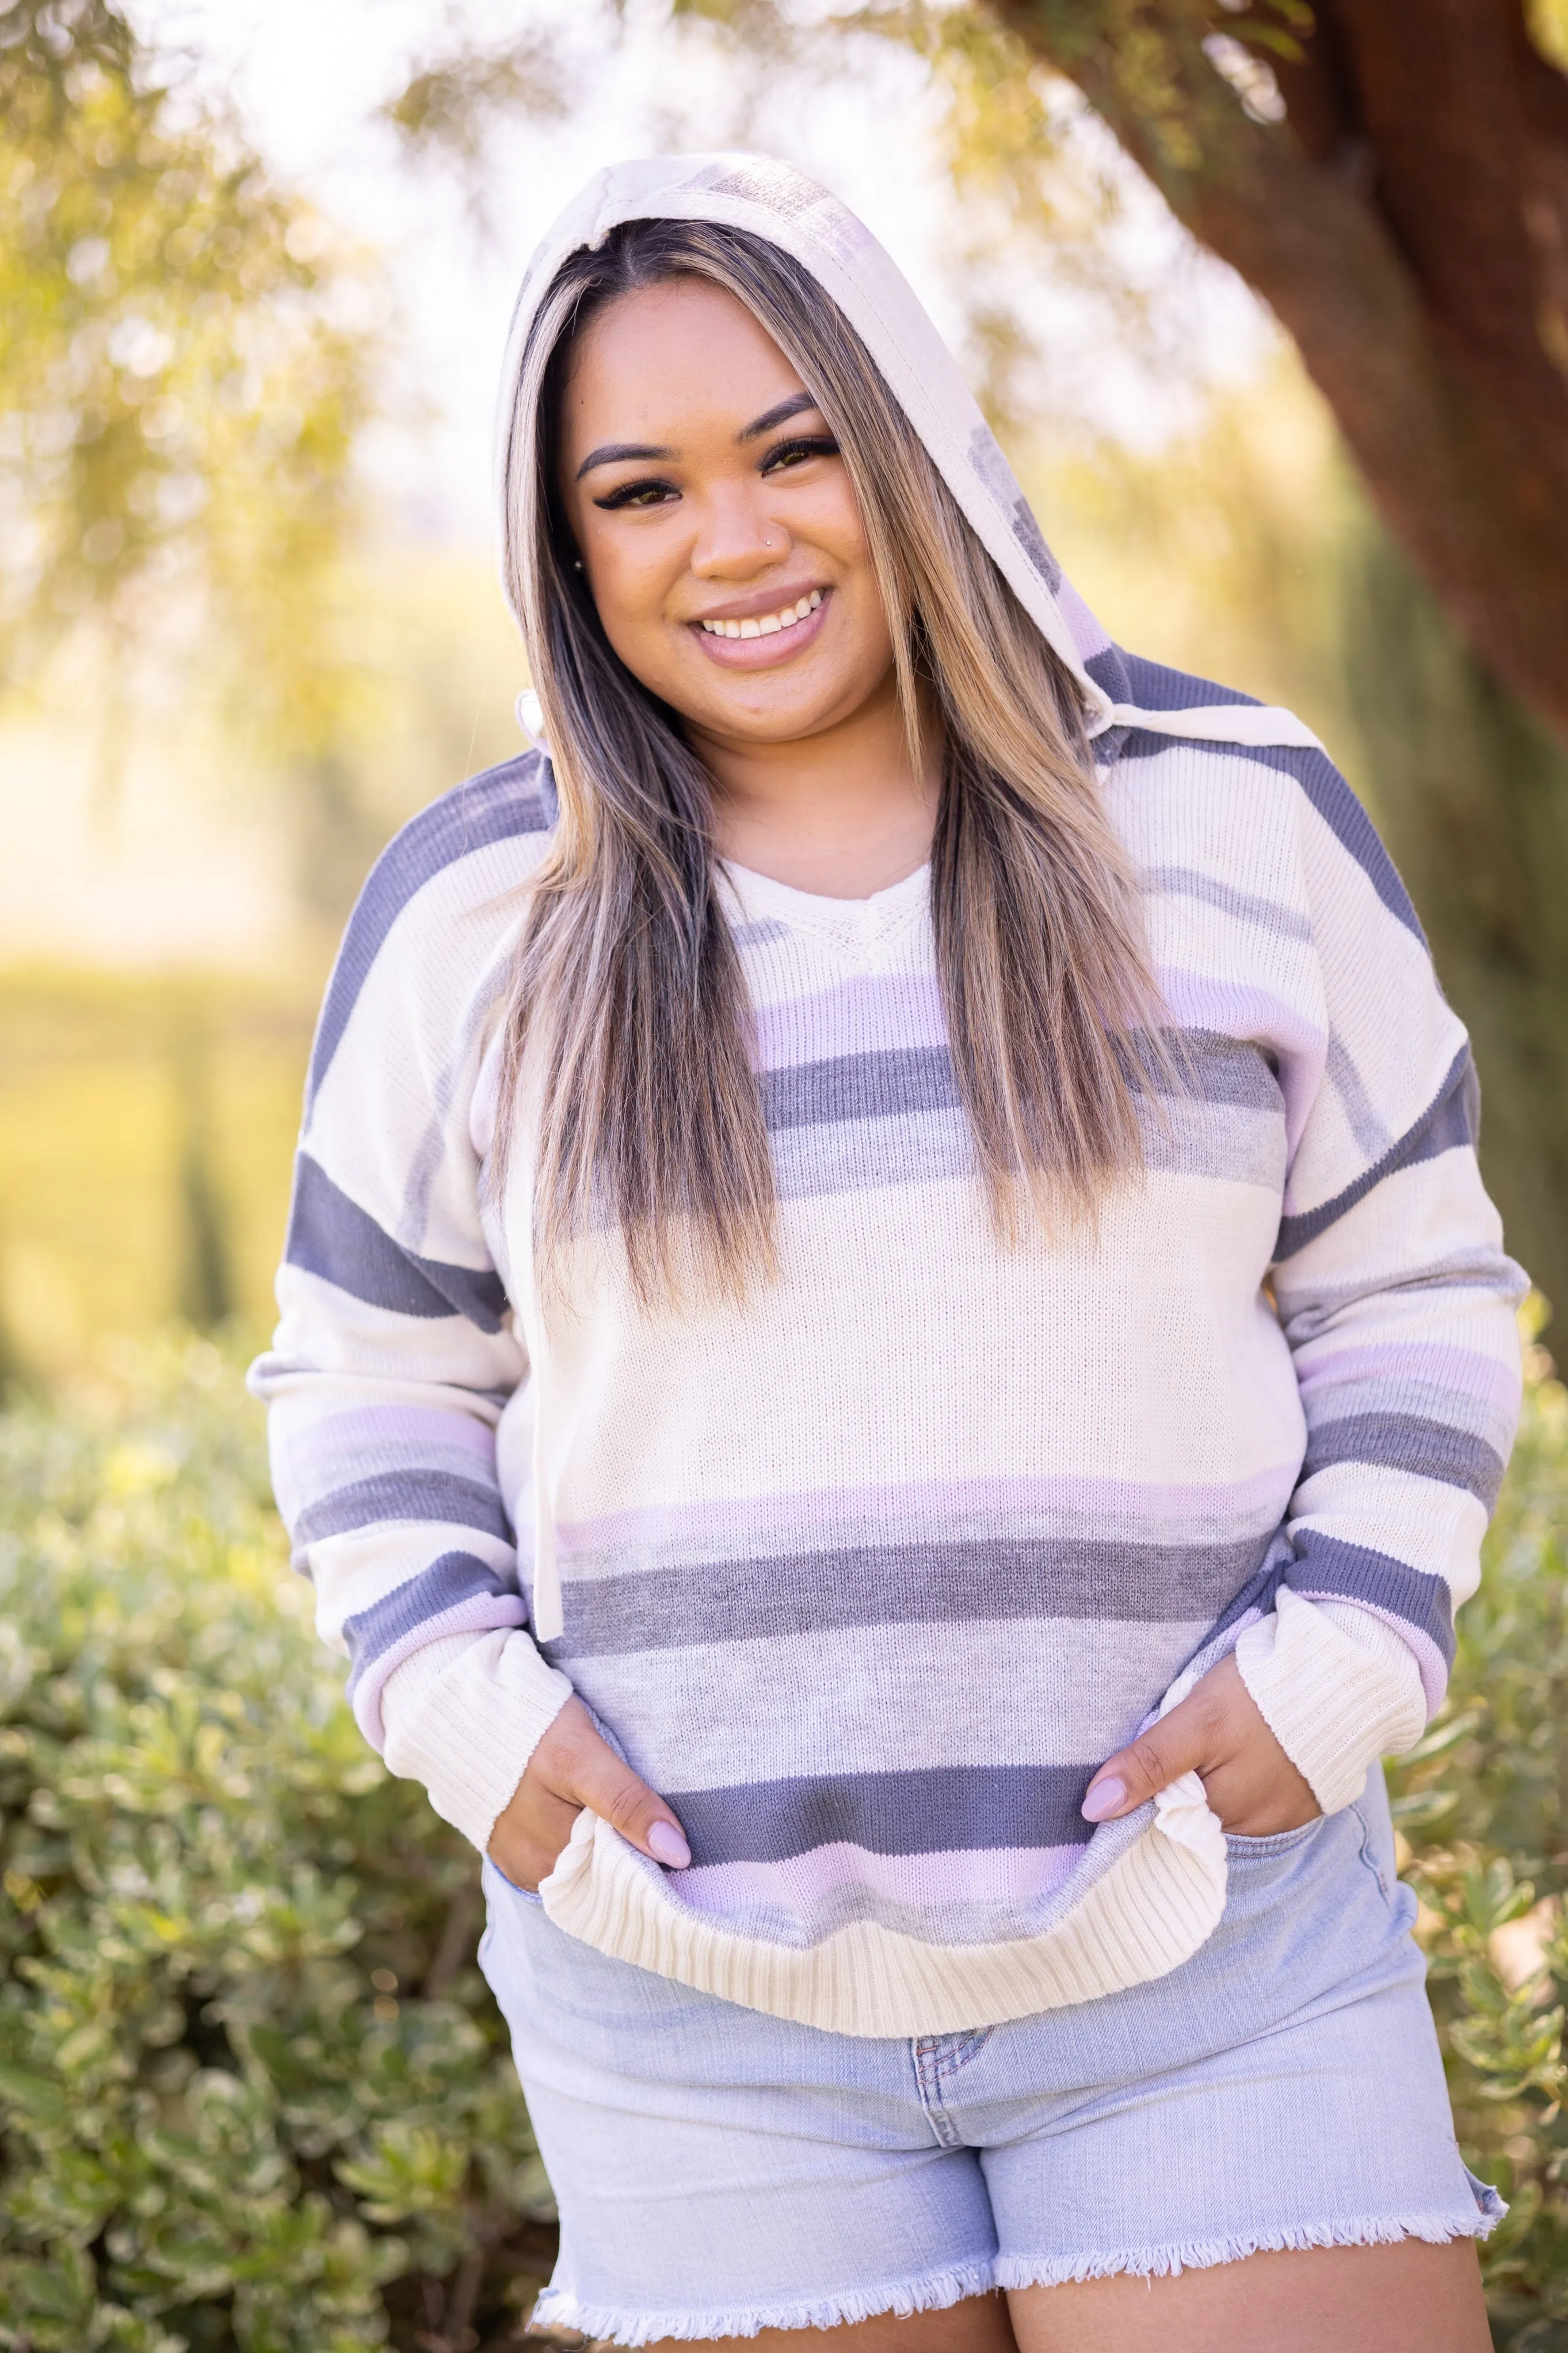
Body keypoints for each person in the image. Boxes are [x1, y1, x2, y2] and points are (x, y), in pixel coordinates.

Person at [250, 154, 1527, 2351]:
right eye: (636, 491)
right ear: (563, 547)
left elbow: (1407, 1289)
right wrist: (465, 1715)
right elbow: (368, 1372)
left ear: (906, 437)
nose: (730, 542)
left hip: (1215, 1958)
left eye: (792, 447)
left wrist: (1331, 1673)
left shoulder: (1227, 809)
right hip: (695, 2014)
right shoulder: (479, 910)